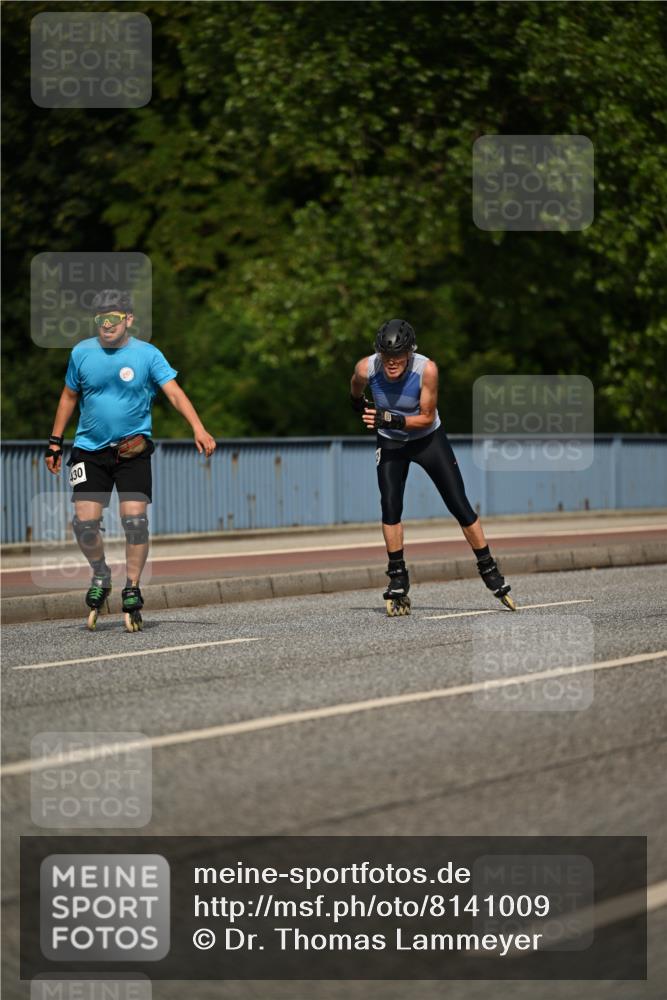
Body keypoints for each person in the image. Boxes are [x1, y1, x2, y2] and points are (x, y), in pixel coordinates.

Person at [45, 289, 216, 631]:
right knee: (84, 524)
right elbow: (68, 396)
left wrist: (198, 427)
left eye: (112, 319)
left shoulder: (147, 355)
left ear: (128, 320)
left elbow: (174, 393)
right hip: (88, 450)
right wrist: (54, 442)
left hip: (132, 451)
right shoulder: (81, 352)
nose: (105, 326)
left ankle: (132, 588)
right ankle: (101, 573)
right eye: (99, 320)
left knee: (134, 521)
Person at [350, 318, 515, 615]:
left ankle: (489, 568)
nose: (391, 363)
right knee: (389, 505)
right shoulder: (367, 366)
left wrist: (390, 418)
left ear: (410, 353)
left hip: (427, 439)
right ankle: (397, 576)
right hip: (390, 442)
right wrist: (356, 402)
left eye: (398, 357)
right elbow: (355, 385)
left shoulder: (426, 369)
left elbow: (426, 417)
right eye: (386, 357)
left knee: (458, 503)